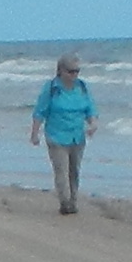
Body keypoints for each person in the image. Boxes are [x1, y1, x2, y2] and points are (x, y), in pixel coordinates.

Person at [30, 54, 95, 213]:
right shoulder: (51, 88)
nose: (74, 75)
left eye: (77, 71)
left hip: (77, 137)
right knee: (62, 171)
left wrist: (93, 124)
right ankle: (65, 203)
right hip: (56, 136)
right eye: (71, 71)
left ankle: (73, 201)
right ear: (61, 71)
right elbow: (40, 111)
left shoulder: (82, 87)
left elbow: (90, 109)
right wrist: (34, 134)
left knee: (74, 171)